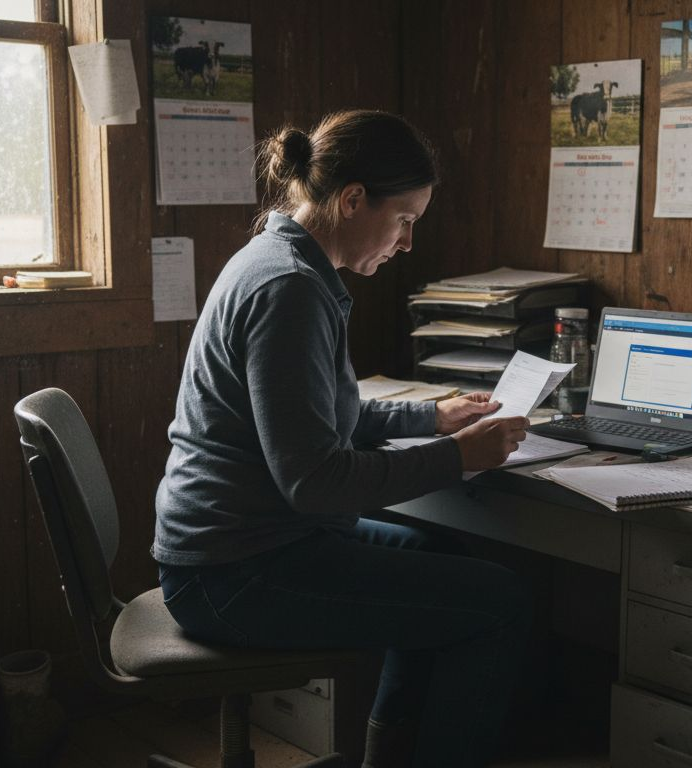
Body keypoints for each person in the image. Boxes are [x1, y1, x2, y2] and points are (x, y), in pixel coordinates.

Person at [153, 109, 532, 768]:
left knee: (437, 552)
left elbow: (323, 416)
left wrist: (431, 420)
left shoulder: (286, 263)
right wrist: (456, 458)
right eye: (405, 219)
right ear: (353, 200)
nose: (408, 242)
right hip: (234, 574)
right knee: (497, 602)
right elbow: (316, 482)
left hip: (240, 551)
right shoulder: (289, 289)